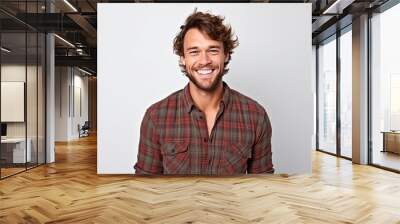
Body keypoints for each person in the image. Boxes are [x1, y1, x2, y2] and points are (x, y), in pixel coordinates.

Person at [134, 10, 273, 175]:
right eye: (194, 52)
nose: (204, 60)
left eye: (213, 50)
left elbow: (263, 187)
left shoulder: (255, 116)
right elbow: (145, 188)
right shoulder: (156, 117)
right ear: (183, 59)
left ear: (226, 55)